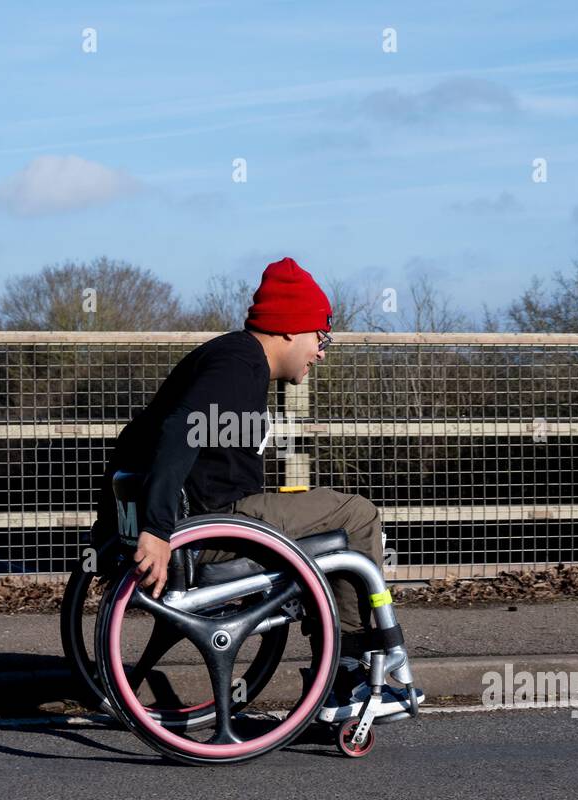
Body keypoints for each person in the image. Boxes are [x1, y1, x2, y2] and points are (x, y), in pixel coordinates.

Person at [88, 257, 388, 700]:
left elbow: (136, 439)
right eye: (321, 336)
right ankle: (347, 670)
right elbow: (176, 432)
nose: (322, 351)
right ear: (289, 328)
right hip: (216, 524)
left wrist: (109, 530)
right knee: (358, 516)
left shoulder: (230, 359)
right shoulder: (237, 365)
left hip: (216, 514)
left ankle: (338, 653)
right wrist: (155, 528)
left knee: (321, 518)